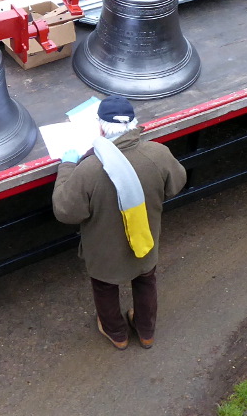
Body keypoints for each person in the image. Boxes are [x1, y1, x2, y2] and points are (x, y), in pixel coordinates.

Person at [52, 96, 187, 350]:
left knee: (104, 287)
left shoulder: (90, 169)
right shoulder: (158, 153)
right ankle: (146, 331)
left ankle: (117, 334)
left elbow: (65, 211)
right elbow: (176, 184)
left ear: (101, 128)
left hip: (105, 251)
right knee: (146, 279)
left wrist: (67, 166)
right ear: (134, 124)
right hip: (144, 239)